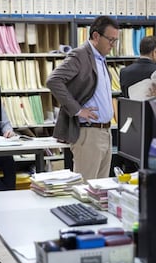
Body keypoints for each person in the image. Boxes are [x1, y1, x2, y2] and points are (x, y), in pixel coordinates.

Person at [46, 16, 119, 182]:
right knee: (85, 190)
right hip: (89, 133)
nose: (113, 45)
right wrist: (78, 110)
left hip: (105, 132)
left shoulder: (101, 58)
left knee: (100, 191)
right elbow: (53, 80)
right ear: (96, 36)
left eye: (116, 40)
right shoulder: (80, 55)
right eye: (111, 40)